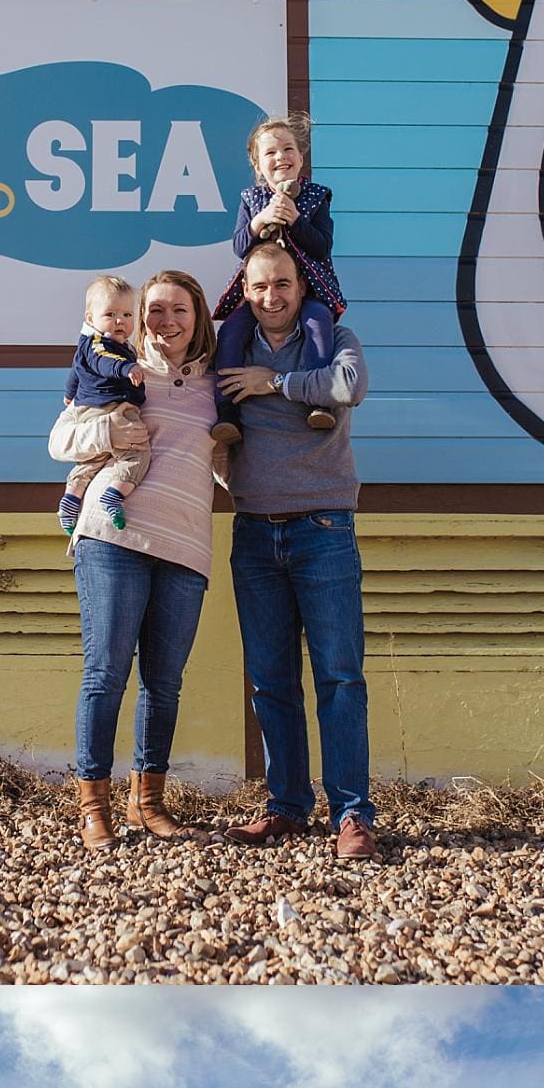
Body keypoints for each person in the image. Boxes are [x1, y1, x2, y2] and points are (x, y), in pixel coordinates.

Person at [48, 269, 221, 848]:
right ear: (137, 317)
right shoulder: (120, 373)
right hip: (113, 538)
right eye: (155, 311)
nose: (166, 321)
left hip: (186, 544)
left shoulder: (216, 384)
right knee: (106, 674)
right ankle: (92, 804)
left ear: (198, 317)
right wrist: (112, 427)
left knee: (164, 685)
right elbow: (59, 443)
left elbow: (228, 464)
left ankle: (146, 803)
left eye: (179, 310)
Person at [218, 240, 377, 862]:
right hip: (255, 530)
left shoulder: (334, 338)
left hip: (324, 528)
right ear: (246, 289)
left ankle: (352, 814)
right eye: (259, 286)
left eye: (281, 284)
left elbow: (349, 385)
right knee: (270, 679)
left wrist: (275, 382)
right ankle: (286, 806)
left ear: (300, 286)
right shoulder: (233, 344)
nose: (271, 296)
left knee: (340, 676)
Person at [211, 113, 344, 445]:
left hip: (308, 286)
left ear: (300, 158)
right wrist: (260, 223)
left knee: (317, 322)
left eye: (288, 149)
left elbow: (322, 246)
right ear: (258, 166)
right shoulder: (251, 200)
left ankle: (318, 402)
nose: (280, 157)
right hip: (264, 290)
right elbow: (241, 247)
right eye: (270, 153)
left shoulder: (316, 197)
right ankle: (227, 411)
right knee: (231, 331)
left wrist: (297, 221)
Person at [57, 273, 150, 535]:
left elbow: (76, 369)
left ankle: (71, 499)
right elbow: (103, 361)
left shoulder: (89, 344)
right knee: (137, 452)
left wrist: (70, 393)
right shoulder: (100, 345)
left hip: (90, 409)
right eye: (110, 314)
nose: (120, 321)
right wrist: (126, 367)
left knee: (93, 459)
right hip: (110, 407)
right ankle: (114, 494)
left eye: (127, 315)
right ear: (91, 319)